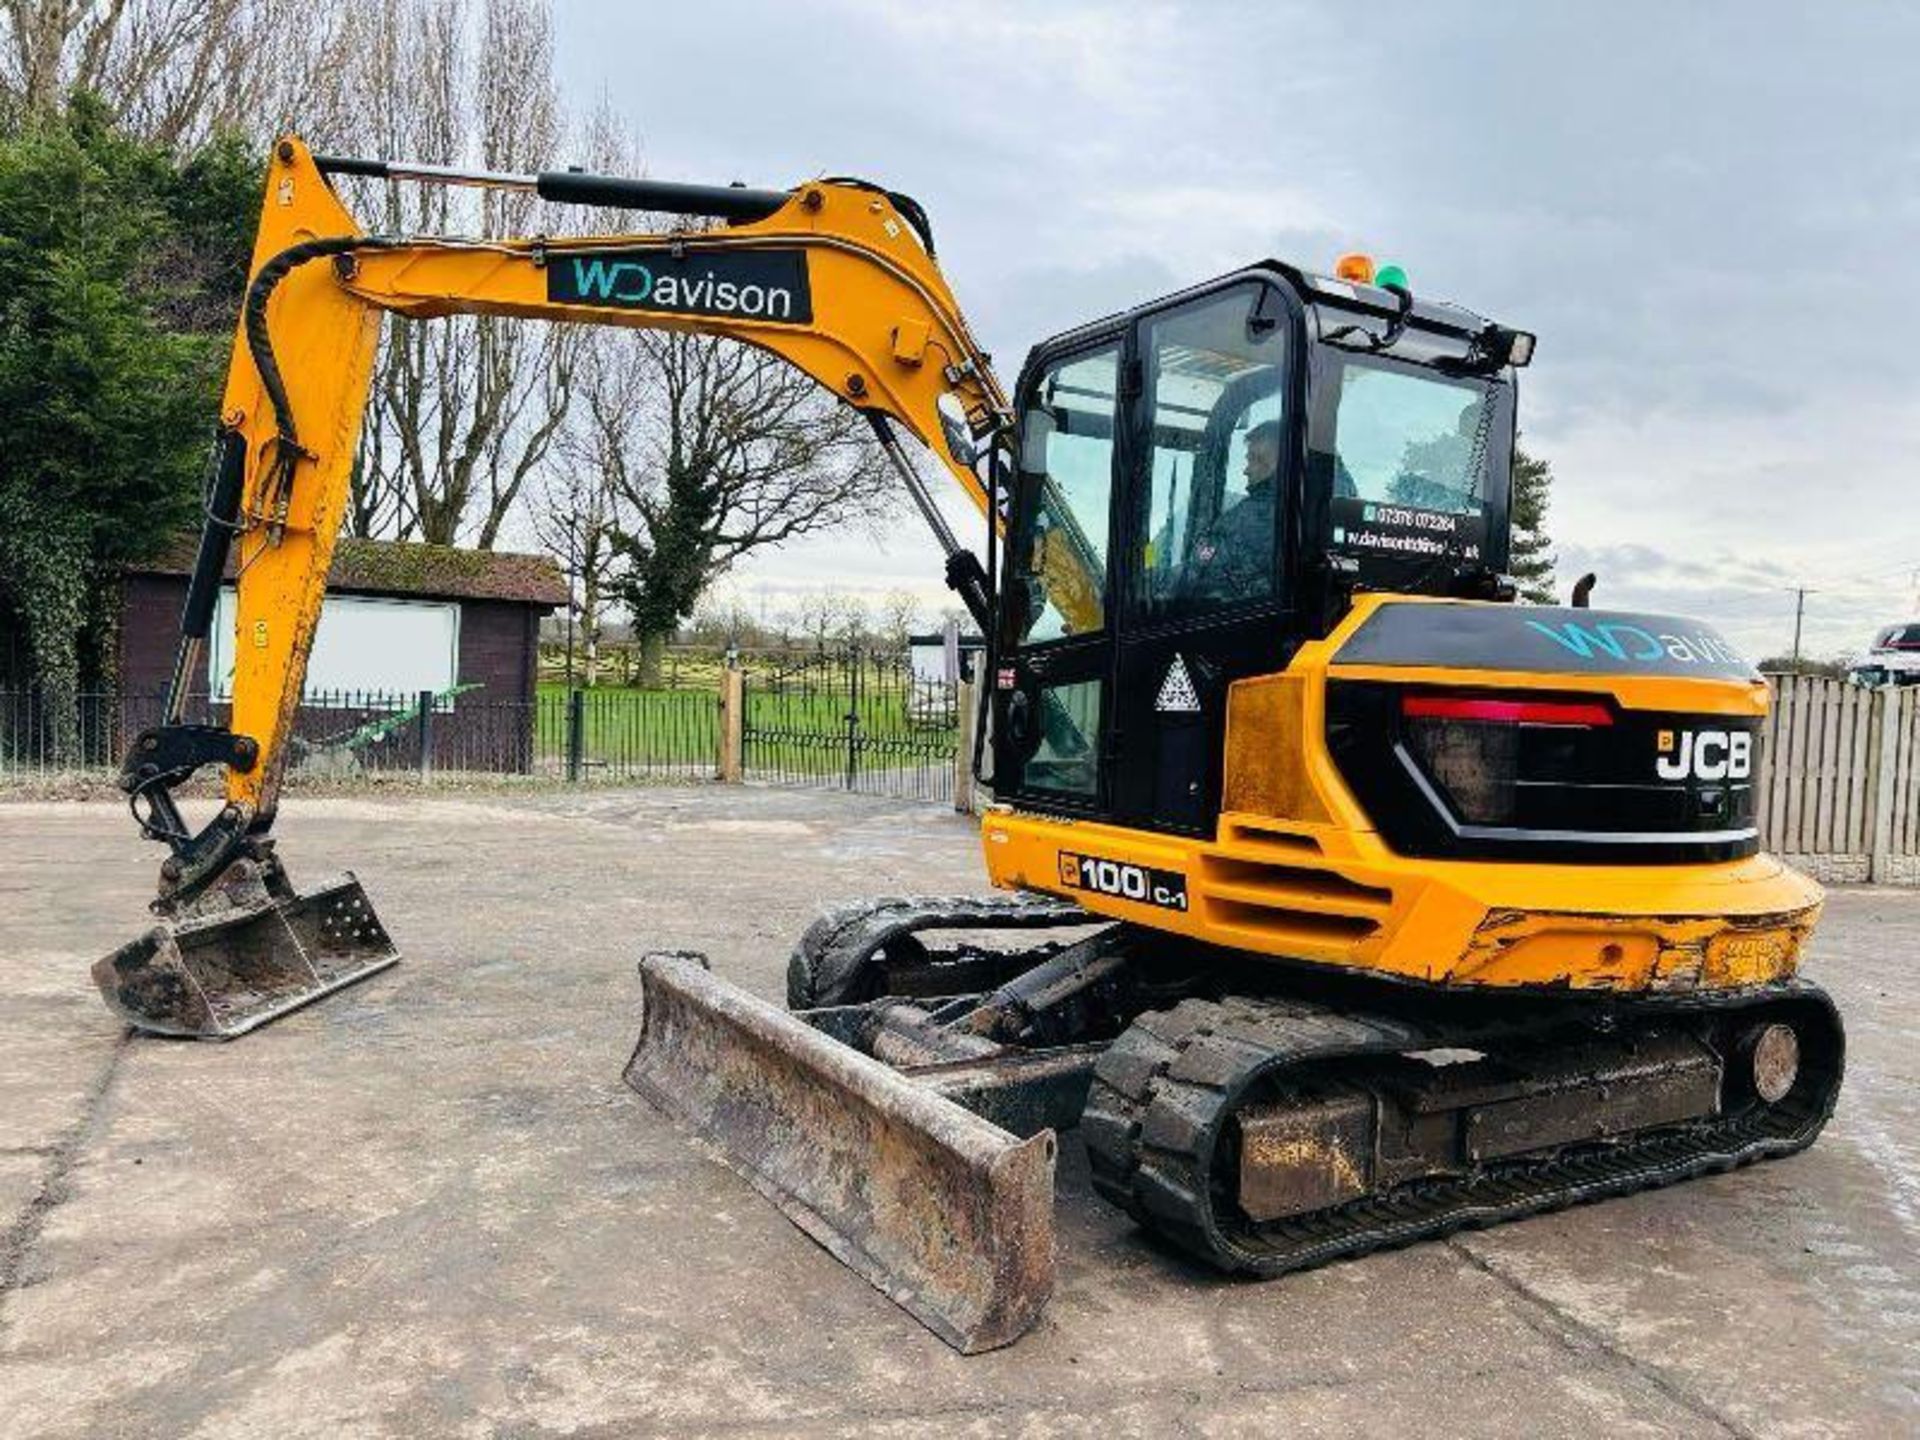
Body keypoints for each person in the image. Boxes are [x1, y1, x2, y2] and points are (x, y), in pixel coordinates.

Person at [1183, 418, 1280, 601]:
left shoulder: (1254, 516)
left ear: (1278, 464)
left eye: (1255, 459)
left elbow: (1201, 569)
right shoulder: (1279, 512)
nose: (1246, 470)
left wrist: (1147, 581)